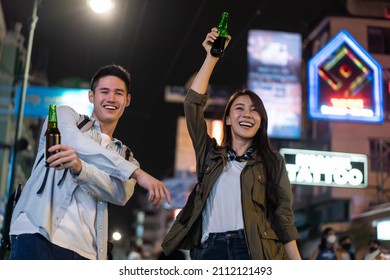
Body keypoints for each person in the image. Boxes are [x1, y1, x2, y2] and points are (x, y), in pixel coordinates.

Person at [161, 28, 301, 260]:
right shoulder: (210, 155)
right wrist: (211, 57)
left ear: (261, 121)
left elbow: (283, 217)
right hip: (209, 249)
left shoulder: (272, 161)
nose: (247, 114)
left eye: (254, 110)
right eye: (239, 108)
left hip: (253, 249)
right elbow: (192, 106)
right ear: (227, 119)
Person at [9, 64, 171, 260]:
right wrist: (137, 173)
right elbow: (73, 140)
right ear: (91, 96)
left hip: (85, 250)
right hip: (36, 230)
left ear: (127, 100)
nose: (111, 98)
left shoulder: (127, 158)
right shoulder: (64, 116)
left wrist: (81, 169)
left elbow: (119, 194)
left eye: (118, 93)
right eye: (104, 91)